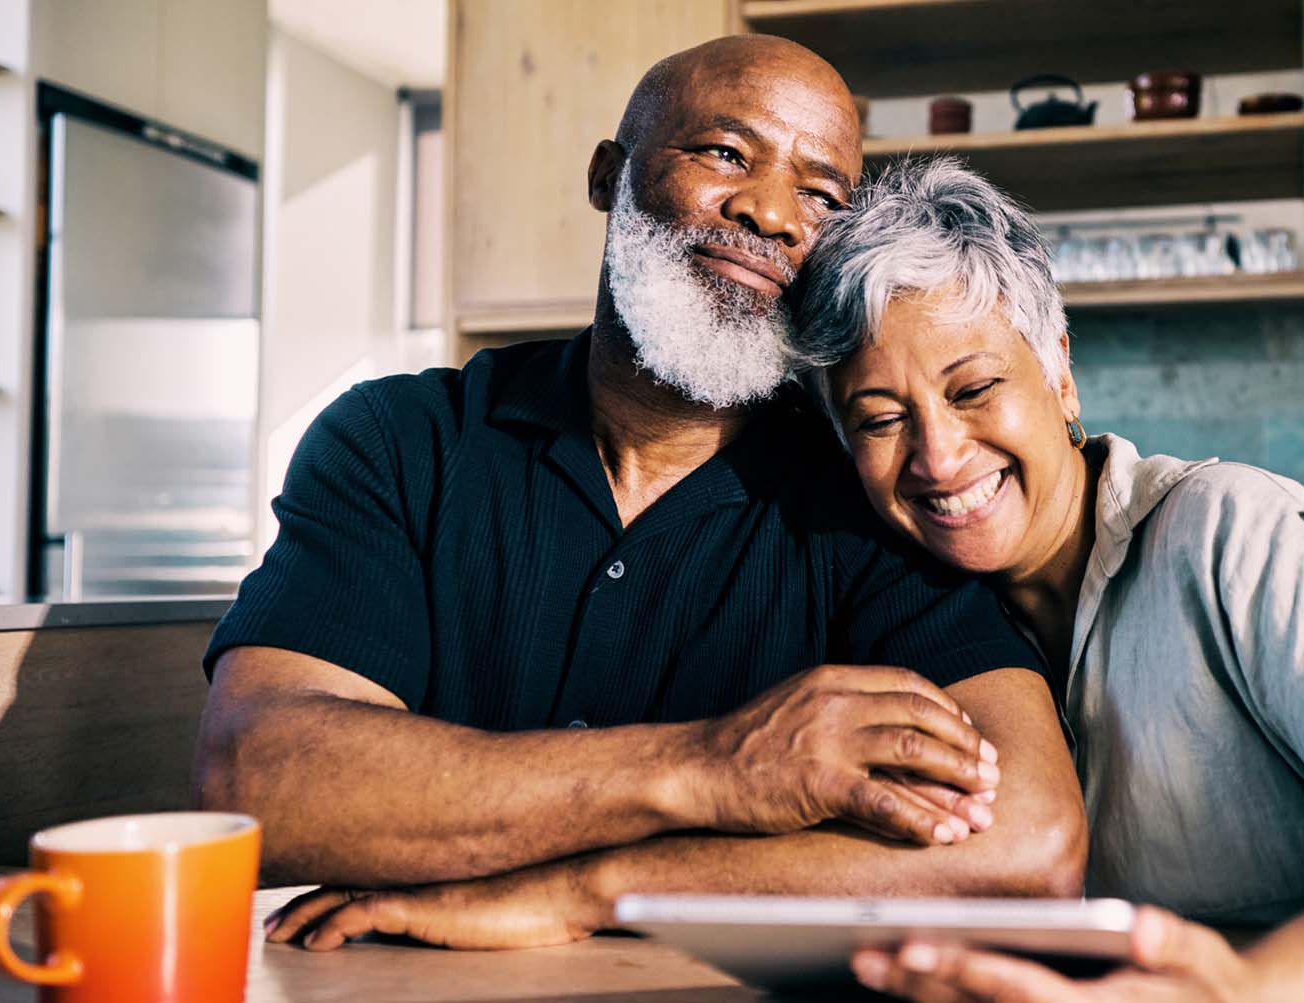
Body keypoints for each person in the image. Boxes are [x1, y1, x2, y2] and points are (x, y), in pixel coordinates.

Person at [194, 40, 1085, 952]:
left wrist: (596, 887)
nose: (772, 212)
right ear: (608, 177)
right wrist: (712, 767)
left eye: (821, 195)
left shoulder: (865, 492)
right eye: (726, 154)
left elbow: (1031, 840)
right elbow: (256, 780)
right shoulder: (400, 441)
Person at [789, 158, 1304, 1002]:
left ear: (1060, 372)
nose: (938, 457)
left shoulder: (1227, 532)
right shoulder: (913, 620)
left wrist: (1240, 992)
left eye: (976, 388)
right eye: (881, 420)